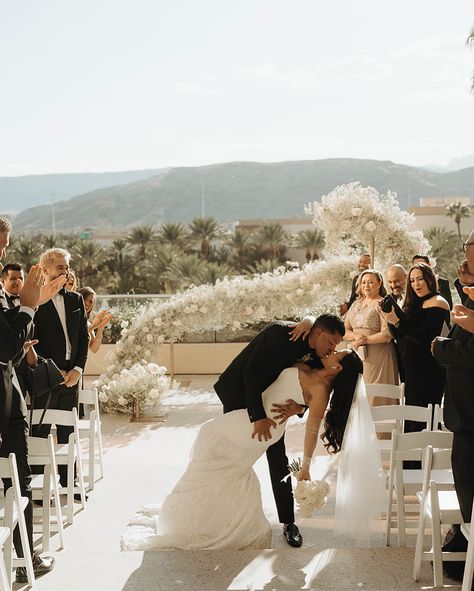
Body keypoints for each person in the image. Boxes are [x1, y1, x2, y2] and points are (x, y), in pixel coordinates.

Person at [121, 350, 372, 550]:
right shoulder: (311, 364)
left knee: (211, 436)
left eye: (338, 354)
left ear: (338, 368)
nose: (332, 351)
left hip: (266, 428)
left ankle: (191, 518)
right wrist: (298, 407)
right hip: (252, 417)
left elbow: (311, 432)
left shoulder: (321, 392)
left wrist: (305, 467)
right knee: (223, 463)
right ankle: (209, 521)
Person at [213, 315, 344, 548]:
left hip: (273, 404)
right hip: (239, 394)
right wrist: (258, 416)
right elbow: (251, 372)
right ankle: (223, 517)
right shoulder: (280, 333)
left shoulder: (316, 356)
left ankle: (288, 523)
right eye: (332, 343)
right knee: (234, 457)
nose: (333, 349)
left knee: (278, 459)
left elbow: (311, 388)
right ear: (319, 332)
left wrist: (299, 408)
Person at [0, 217, 58, 583]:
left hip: (10, 395)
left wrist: (29, 307)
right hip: (3, 405)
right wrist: (30, 308)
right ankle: (22, 556)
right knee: (18, 479)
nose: (4, 251)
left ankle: (24, 553)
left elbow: (12, 347)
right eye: (0, 244)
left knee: (19, 479)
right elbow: (5, 345)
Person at [431, 230, 474, 582]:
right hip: (464, 416)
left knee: (469, 494)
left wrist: (441, 348)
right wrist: (466, 288)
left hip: (471, 417)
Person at [32, 248, 89, 488]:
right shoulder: (34, 300)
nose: (64, 271)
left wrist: (77, 369)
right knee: (40, 431)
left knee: (69, 431)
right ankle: (38, 485)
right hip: (45, 376)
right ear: (45, 270)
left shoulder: (75, 300)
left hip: (71, 377)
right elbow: (32, 341)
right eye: (59, 267)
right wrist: (54, 372)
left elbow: (83, 339)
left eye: (66, 267)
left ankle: (70, 483)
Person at [381, 263, 450, 433]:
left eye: (420, 279)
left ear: (429, 279)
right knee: (412, 419)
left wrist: (397, 321)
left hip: (429, 371)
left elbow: (425, 338)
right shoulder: (415, 303)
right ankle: (411, 459)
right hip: (412, 371)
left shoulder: (438, 302)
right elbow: (401, 335)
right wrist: (390, 316)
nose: (416, 284)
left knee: (426, 421)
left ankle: (428, 459)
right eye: (412, 281)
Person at [344, 270, 398, 405]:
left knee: (375, 394)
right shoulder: (356, 303)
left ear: (379, 283)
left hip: (379, 355)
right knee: (358, 392)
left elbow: (388, 334)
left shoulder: (383, 303)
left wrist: (365, 340)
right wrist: (357, 336)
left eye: (370, 282)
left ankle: (382, 423)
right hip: (357, 353)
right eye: (363, 282)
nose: (366, 285)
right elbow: (344, 330)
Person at [385, 264, 408, 382]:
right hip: (399, 351)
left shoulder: (414, 297)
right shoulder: (390, 299)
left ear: (406, 277)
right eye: (390, 282)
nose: (393, 285)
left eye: (397, 281)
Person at [78, 287, 113, 353]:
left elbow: (94, 349)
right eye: (84, 299)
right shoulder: (71, 318)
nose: (87, 303)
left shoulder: (88, 323)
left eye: (91, 302)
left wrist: (100, 327)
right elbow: (77, 339)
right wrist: (93, 326)